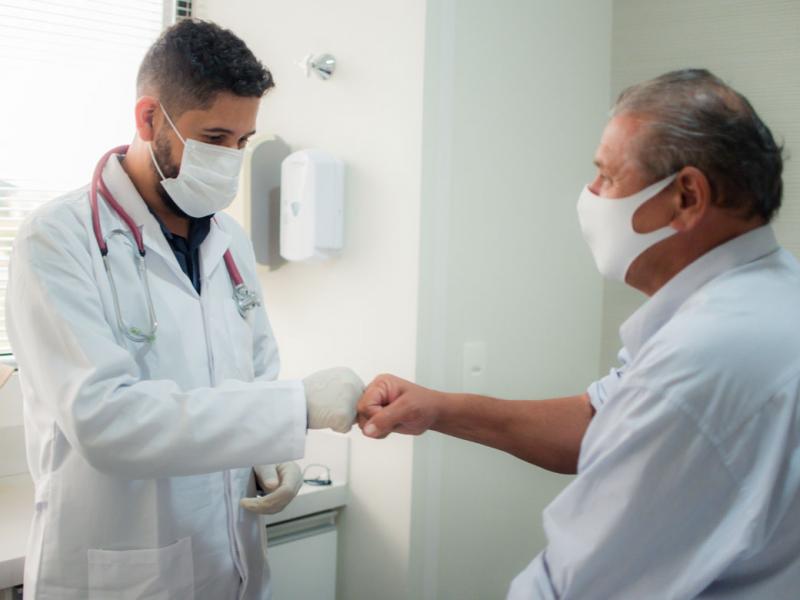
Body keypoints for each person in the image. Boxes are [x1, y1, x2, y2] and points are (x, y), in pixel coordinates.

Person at [358, 69, 800, 598]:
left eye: (608, 176)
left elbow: (575, 585)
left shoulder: (697, 364)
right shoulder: (771, 293)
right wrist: (440, 408)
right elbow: (604, 417)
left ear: (686, 197)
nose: (590, 193)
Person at [7, 20, 363, 599]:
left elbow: (254, 373)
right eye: (215, 138)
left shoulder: (230, 242)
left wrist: (266, 455)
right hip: (121, 573)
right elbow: (106, 422)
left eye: (243, 142)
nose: (231, 158)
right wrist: (293, 409)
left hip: (233, 566)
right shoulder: (58, 239)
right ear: (149, 119)